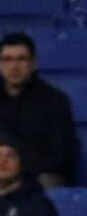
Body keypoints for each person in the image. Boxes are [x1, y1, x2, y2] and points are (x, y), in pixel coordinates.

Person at [0, 32, 78, 188]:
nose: (14, 66)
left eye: (21, 59)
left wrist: (17, 166)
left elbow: (62, 157)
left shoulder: (55, 101)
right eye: (7, 59)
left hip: (37, 177)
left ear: (34, 64)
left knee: (48, 182)